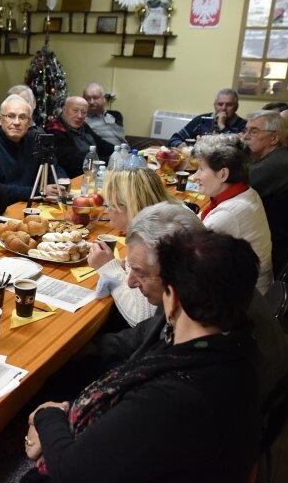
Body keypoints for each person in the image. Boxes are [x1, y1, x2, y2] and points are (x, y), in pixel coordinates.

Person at [23, 231, 265, 482]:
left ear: (173, 300)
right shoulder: (234, 351)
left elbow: (71, 471)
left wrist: (48, 414)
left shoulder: (173, 397)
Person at [87, 167, 183, 327]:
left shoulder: (149, 241)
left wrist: (108, 268)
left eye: (108, 206)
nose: (106, 212)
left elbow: (140, 318)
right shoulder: (169, 220)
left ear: (126, 207)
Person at [192, 134, 273, 294]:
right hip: (246, 286)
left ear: (223, 174)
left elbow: (189, 254)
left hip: (241, 298)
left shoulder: (228, 214)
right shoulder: (246, 192)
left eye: (201, 169)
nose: (195, 177)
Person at [0, 95, 65, 203]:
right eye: (11, 116)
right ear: (0, 119)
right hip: (3, 206)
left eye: (22, 117)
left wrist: (60, 184)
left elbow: (53, 167)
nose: (17, 122)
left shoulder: (37, 138)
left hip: (33, 203)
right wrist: (39, 192)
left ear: (29, 123)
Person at [45, 96, 114, 178]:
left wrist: (119, 151)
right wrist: (110, 160)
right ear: (64, 110)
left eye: (84, 112)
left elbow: (101, 144)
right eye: (75, 111)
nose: (80, 116)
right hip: (74, 178)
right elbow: (73, 161)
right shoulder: (54, 129)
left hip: (95, 172)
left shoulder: (83, 126)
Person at [243, 110, 288, 199]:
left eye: (253, 132)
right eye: (245, 130)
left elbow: (234, 189)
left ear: (274, 138)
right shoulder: (266, 156)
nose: (245, 136)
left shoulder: (279, 163)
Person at [169, 88, 247, 147]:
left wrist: (222, 126)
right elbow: (174, 139)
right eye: (220, 104)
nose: (223, 108)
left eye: (229, 105)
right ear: (214, 105)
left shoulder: (244, 125)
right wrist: (180, 146)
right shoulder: (202, 120)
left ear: (236, 107)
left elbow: (239, 148)